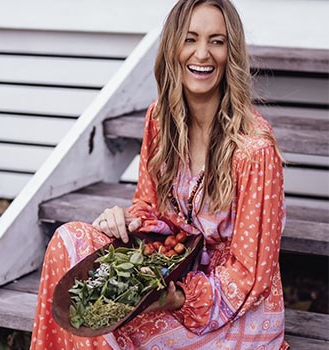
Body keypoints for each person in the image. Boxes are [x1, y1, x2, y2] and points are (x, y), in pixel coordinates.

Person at [31, 0, 289, 349]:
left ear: (232, 53)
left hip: (229, 303)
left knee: (118, 328)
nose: (202, 53)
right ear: (172, 48)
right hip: (170, 269)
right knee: (69, 240)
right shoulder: (159, 120)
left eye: (217, 41)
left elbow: (251, 276)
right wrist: (126, 222)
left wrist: (179, 298)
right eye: (190, 38)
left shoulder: (253, 149)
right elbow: (149, 208)